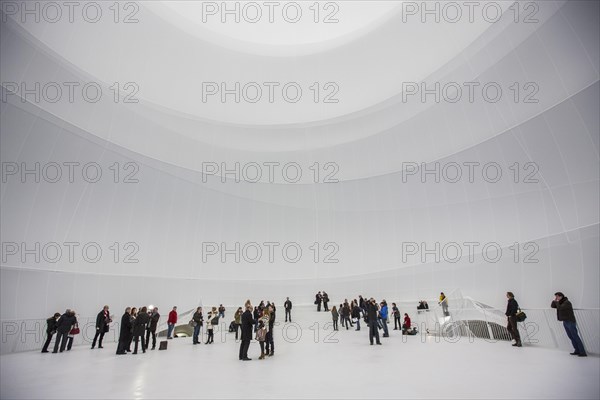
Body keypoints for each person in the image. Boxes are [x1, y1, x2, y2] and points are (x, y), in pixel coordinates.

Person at [551, 292, 587, 357]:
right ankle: (577, 350)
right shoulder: (560, 302)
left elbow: (560, 308)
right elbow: (552, 306)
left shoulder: (567, 302)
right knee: (571, 337)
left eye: (557, 296)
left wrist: (556, 302)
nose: (556, 298)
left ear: (561, 296)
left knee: (575, 336)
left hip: (570, 321)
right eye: (556, 296)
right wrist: (555, 301)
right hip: (565, 321)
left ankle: (582, 352)